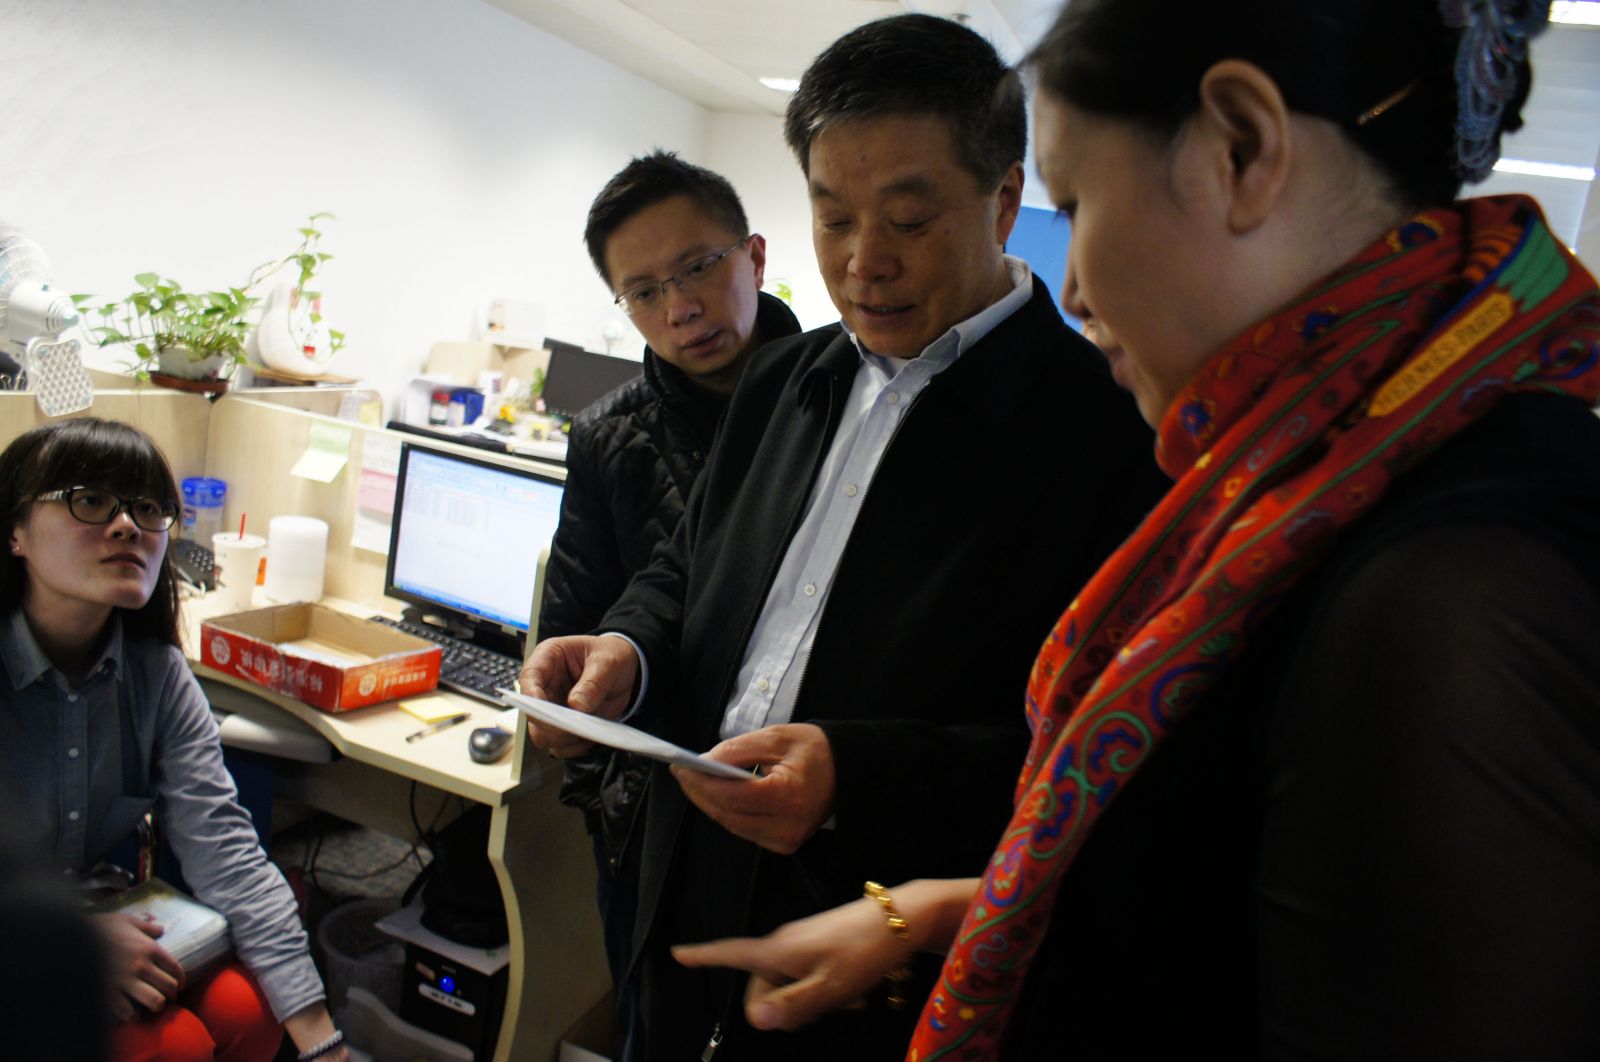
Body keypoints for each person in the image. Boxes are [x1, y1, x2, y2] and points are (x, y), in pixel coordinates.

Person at [674, 1, 1600, 1058]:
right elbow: (1221, 910)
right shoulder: (1308, 485)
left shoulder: (1465, 581)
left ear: (1239, 149)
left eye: (1075, 205)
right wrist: (936, 915)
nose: (1072, 287)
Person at [521, 13, 1166, 1060]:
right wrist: (626, 651)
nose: (865, 263)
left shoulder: (1104, 433)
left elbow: (1098, 754)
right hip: (686, 889)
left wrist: (856, 778)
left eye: (909, 219)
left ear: (1004, 199)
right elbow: (687, 566)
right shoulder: (782, 376)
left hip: (883, 945)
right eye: (832, 220)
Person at [0, 418, 350, 1062]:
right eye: (90, 501)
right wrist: (73, 941)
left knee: (250, 1012)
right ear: (14, 531)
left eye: (147, 509)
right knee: (175, 1048)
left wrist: (322, 1042)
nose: (127, 526)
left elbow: (228, 855)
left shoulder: (156, 674)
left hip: (98, 904)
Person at [539, 151, 800, 1012]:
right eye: (644, 291)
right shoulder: (607, 439)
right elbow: (575, 629)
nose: (679, 308)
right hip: (655, 818)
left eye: (698, 268)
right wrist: (607, 802)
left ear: (754, 258)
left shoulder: (845, 396)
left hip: (803, 806)